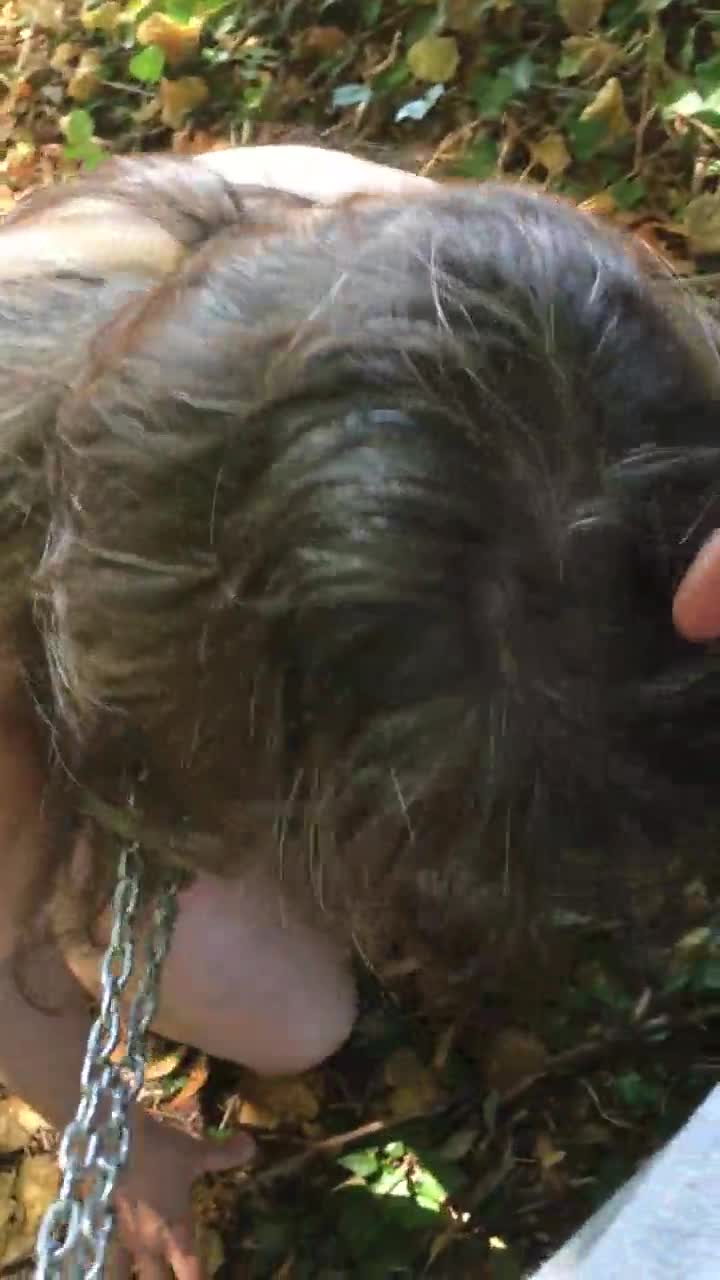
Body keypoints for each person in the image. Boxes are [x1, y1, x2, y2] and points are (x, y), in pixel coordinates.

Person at [0, 144, 719, 1279]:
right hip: (63, 744)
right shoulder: (21, 753)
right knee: (295, 1022)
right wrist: (125, 1146)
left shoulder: (435, 270)